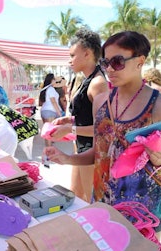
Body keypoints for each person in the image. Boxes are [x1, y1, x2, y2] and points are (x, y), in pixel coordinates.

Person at [44, 31, 161, 239]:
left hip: (143, 212)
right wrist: (68, 159)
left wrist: (160, 160)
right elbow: (100, 152)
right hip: (102, 203)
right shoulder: (101, 101)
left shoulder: (160, 106)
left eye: (117, 62)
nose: (109, 69)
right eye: (106, 62)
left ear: (140, 61)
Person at [49, 28, 109, 202]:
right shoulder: (87, 80)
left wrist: (70, 129)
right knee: (75, 195)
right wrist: (70, 120)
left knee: (92, 202)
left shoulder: (97, 83)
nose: (70, 61)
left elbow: (104, 129)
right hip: (82, 147)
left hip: (92, 151)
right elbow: (89, 117)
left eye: (73, 55)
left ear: (87, 54)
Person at [39, 73, 63, 147]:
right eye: (54, 79)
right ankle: (49, 149)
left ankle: (49, 146)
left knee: (47, 130)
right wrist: (59, 113)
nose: (55, 81)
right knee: (48, 131)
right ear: (51, 80)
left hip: (45, 110)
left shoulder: (45, 89)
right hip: (50, 111)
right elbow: (53, 101)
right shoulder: (51, 89)